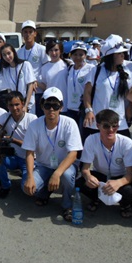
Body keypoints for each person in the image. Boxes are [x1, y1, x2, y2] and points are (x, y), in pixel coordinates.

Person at [22, 87, 82, 221]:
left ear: (61, 107)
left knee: (66, 175)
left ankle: (67, 205)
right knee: (27, 188)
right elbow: (30, 152)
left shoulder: (70, 123)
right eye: (48, 105)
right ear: (42, 106)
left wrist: (57, 173)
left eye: (55, 105)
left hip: (64, 166)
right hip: (44, 165)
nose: (51, 109)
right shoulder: (35, 125)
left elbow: (73, 154)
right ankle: (45, 191)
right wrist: (30, 176)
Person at [77, 109, 132, 219]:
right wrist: (88, 177)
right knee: (81, 183)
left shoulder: (126, 142)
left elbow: (130, 174)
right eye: (106, 126)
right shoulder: (91, 140)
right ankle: (97, 199)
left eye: (114, 126)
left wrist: (118, 183)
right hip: (101, 176)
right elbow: (85, 168)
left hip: (120, 176)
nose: (111, 130)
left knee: (129, 190)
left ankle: (125, 204)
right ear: (98, 125)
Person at [83, 34, 132, 138]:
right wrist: (89, 111)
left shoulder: (125, 71)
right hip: (98, 121)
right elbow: (87, 93)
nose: (123, 55)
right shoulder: (96, 70)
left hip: (119, 122)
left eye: (123, 53)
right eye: (119, 53)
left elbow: (130, 95)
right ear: (110, 56)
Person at [0, 91, 37, 199]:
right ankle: (5, 185)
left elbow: (34, 146)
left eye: (17, 104)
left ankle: (26, 176)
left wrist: (13, 140)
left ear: (22, 104)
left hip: (29, 159)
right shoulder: (6, 117)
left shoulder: (32, 119)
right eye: (11, 105)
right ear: (7, 106)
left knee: (28, 190)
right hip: (13, 156)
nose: (14, 108)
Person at [17, 20, 48, 115]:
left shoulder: (41, 49)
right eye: (25, 32)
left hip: (38, 90)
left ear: (35, 33)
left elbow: (46, 68)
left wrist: (37, 82)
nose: (28, 35)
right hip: (24, 90)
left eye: (30, 32)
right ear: (22, 34)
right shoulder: (19, 52)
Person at [66, 42, 95, 132]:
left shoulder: (91, 68)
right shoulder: (70, 68)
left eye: (81, 54)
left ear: (85, 55)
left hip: (82, 108)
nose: (78, 57)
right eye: (75, 54)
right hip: (70, 108)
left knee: (82, 135)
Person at [0, 43, 36, 113]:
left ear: (13, 52)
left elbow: (30, 85)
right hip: (15, 105)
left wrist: (26, 105)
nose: (7, 57)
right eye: (4, 55)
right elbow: (9, 90)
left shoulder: (25, 65)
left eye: (9, 53)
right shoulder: (6, 70)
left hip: (27, 103)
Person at [38, 40, 72, 113]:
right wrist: (35, 82)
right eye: (51, 50)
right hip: (51, 105)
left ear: (61, 51)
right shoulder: (44, 68)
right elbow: (45, 86)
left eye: (56, 50)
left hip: (65, 104)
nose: (53, 53)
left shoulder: (68, 65)